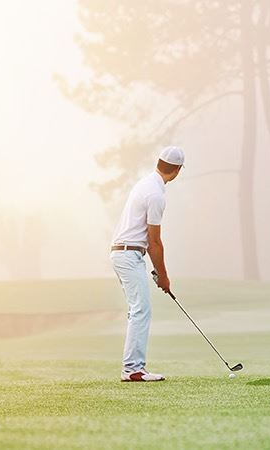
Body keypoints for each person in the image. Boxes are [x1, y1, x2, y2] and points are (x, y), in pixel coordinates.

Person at [110, 146, 184, 382]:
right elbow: (154, 242)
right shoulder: (156, 195)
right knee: (141, 310)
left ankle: (132, 367)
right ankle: (133, 369)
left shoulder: (145, 183)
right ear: (177, 170)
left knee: (138, 309)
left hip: (125, 253)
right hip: (128, 254)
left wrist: (158, 272)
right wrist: (163, 276)